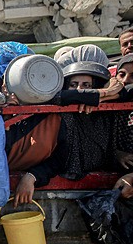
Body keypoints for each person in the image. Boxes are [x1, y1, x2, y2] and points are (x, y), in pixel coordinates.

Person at [14, 61, 118, 207]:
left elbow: (125, 92)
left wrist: (106, 92)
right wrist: (94, 95)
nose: (79, 89)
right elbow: (54, 97)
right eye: (73, 85)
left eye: (86, 86)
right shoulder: (62, 116)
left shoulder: (105, 117)